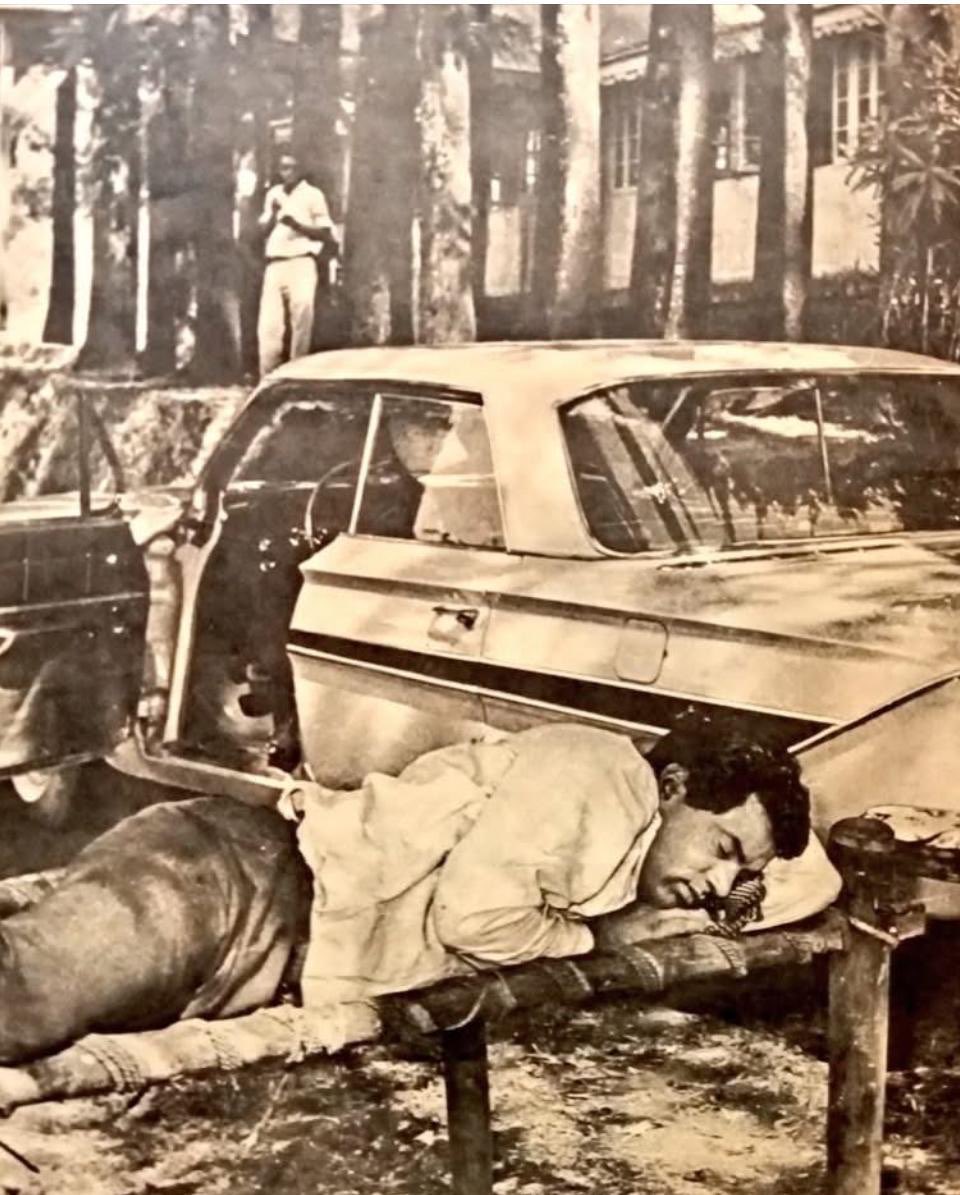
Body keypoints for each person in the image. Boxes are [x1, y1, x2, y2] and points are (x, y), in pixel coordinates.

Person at [0, 717, 839, 1065]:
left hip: (261, 957)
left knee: (27, 1026)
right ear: (678, 783)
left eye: (745, 876)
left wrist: (706, 887)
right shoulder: (606, 774)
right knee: (21, 1001)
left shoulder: (628, 847)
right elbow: (476, 919)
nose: (724, 882)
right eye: (726, 846)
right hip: (236, 881)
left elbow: (820, 880)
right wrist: (604, 939)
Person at [257, 152, 336, 377]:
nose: (287, 173)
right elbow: (261, 231)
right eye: (283, 168)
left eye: (291, 168)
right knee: (269, 326)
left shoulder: (312, 195)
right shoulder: (273, 194)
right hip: (275, 263)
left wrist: (297, 225)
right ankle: (268, 378)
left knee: (301, 319)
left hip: (301, 262)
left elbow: (325, 232)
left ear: (300, 169)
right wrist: (272, 214)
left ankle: (297, 376)